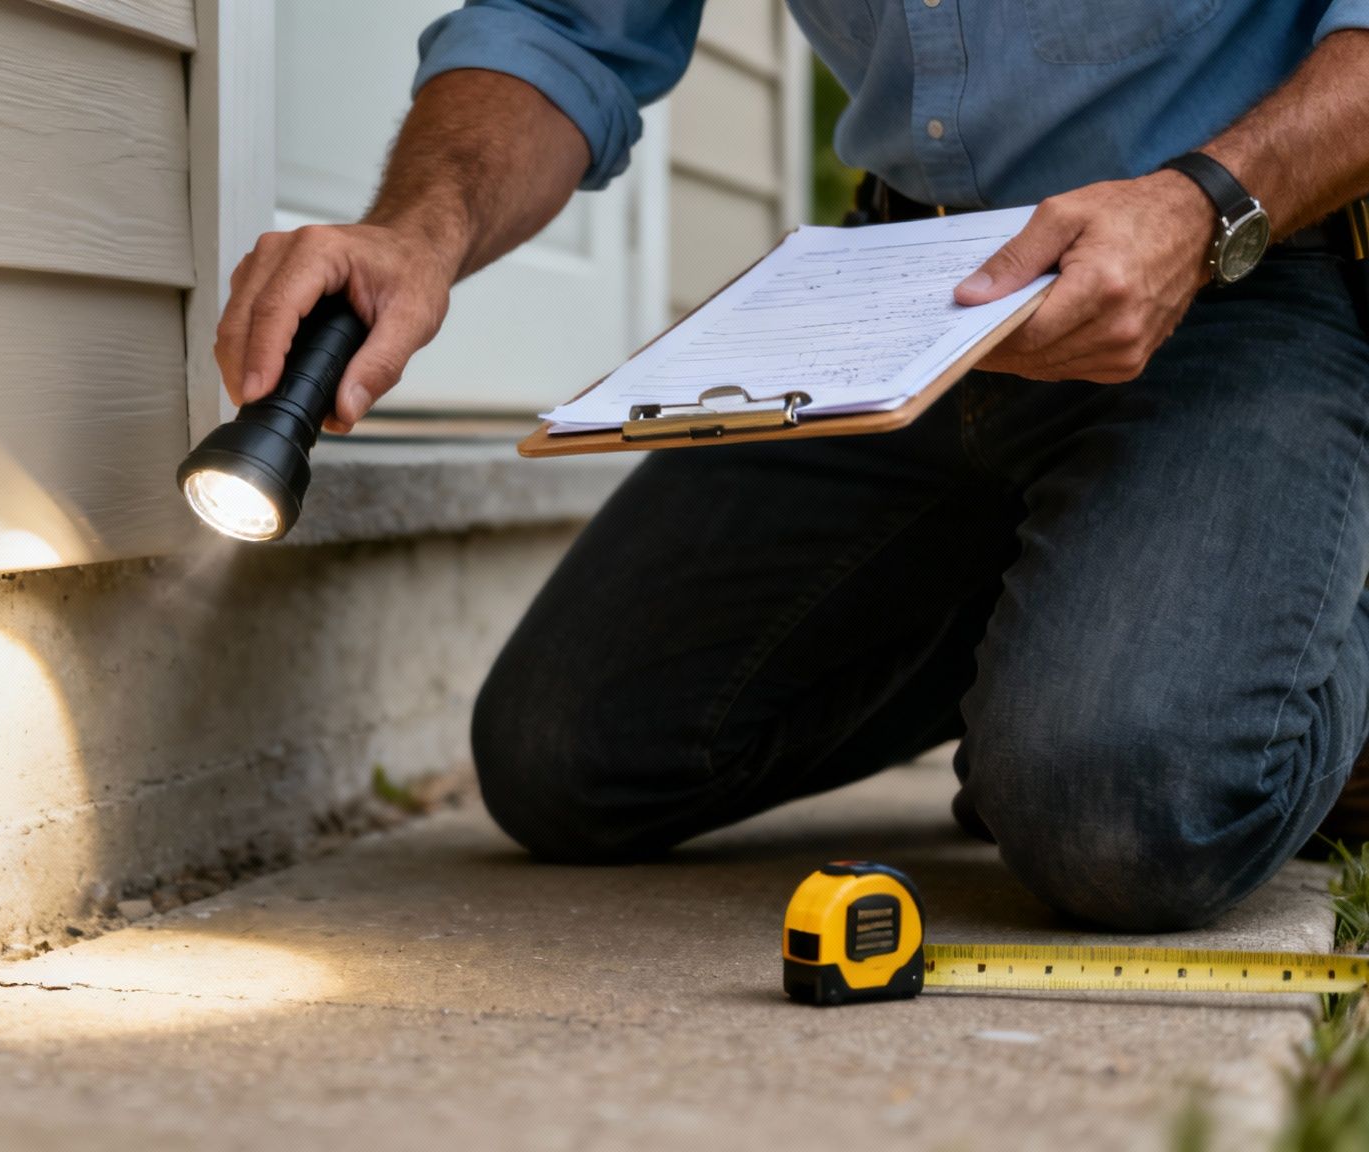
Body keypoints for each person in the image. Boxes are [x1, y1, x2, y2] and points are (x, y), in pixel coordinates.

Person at [216, 1, 1369, 931]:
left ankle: (1311, 607)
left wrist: (1201, 203)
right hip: (905, 295)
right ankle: (1080, 622)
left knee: (1120, 819)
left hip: (1236, 269)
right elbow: (563, 27)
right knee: (565, 757)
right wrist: (417, 227)